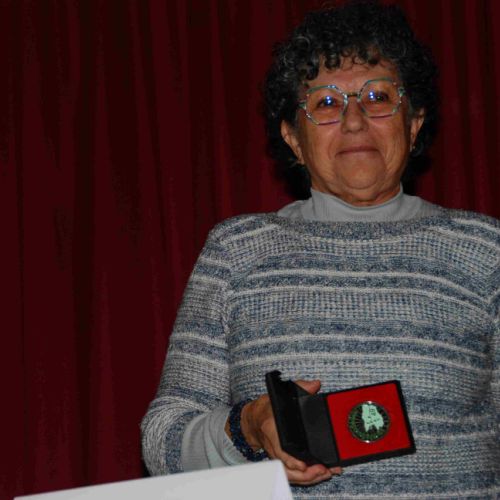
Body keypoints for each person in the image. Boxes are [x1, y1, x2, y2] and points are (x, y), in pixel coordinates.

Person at [141, 1, 500, 497]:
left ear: (414, 123)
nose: (354, 121)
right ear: (294, 138)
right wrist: (247, 429)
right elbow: (162, 441)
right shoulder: (237, 252)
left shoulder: (486, 250)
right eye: (326, 103)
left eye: (377, 96)